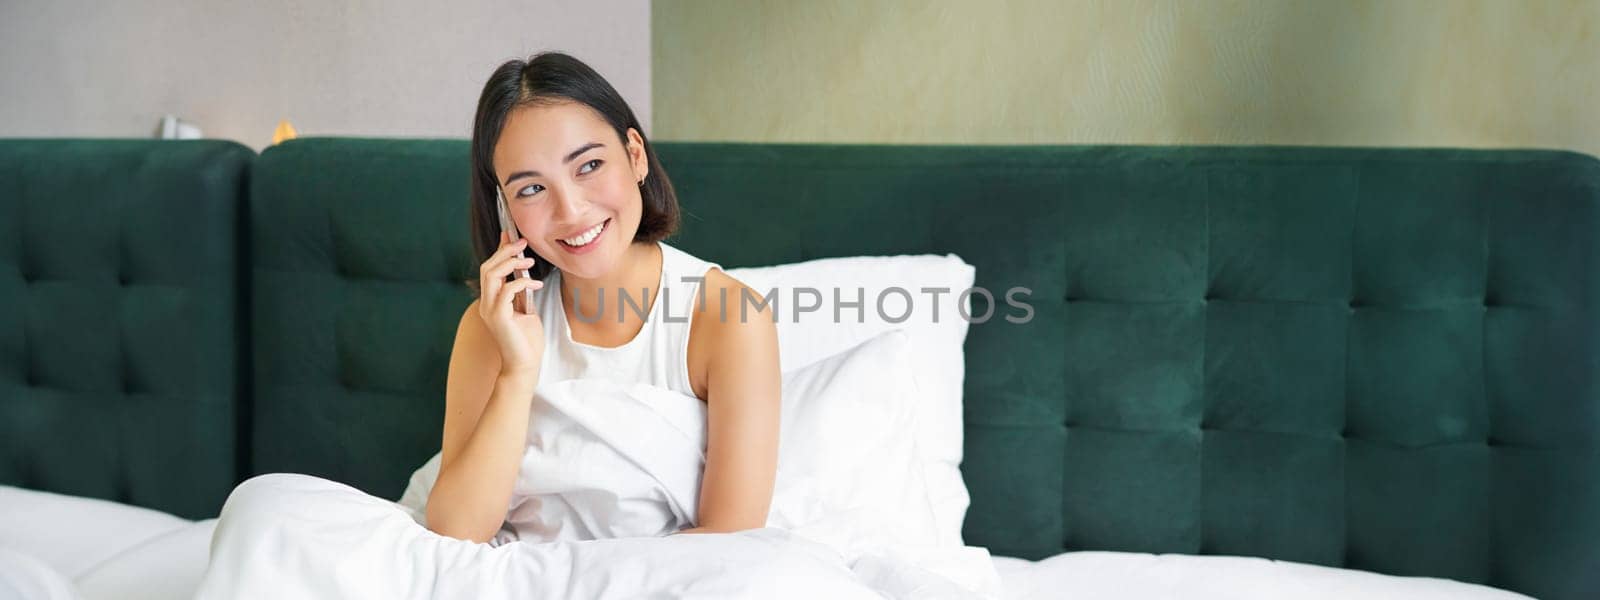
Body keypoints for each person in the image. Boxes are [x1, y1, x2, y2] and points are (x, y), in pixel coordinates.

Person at [424, 51, 782, 544]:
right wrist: (518, 370)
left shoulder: (729, 318)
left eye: (589, 165)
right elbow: (455, 533)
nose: (570, 210)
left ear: (636, 155)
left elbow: (728, 542)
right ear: (505, 210)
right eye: (531, 190)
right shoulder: (491, 328)